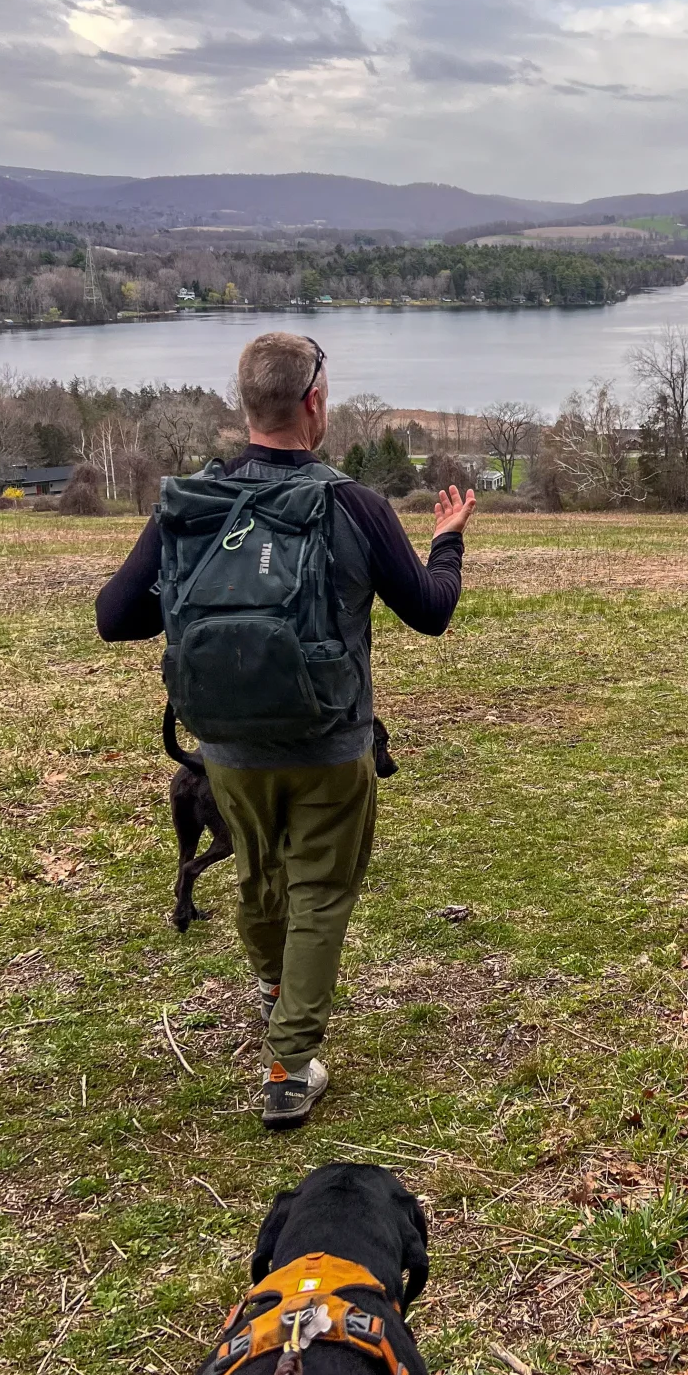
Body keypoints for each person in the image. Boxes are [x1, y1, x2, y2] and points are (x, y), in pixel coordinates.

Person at [96, 332, 475, 1127]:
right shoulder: (352, 503)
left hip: (226, 748)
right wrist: (448, 542)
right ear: (315, 404)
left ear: (245, 404)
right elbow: (432, 612)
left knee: (259, 880)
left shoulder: (191, 504)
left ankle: (275, 994)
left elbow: (114, 617)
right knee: (321, 894)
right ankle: (289, 1065)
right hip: (332, 743)